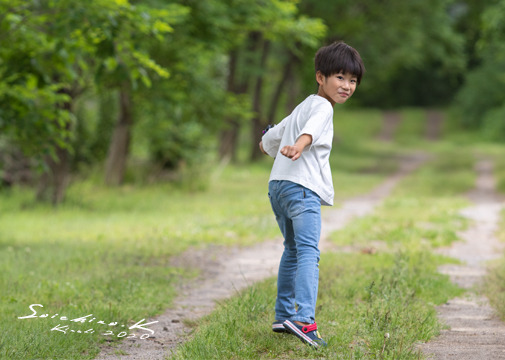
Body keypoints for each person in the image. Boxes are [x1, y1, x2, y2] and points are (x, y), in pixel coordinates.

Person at [259, 41, 365, 348]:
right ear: (321, 77)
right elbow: (314, 129)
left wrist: (277, 143)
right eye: (340, 78)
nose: (347, 86)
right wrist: (301, 144)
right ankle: (304, 321)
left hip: (278, 186)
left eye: (353, 80)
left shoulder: (301, 107)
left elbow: (269, 140)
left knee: (291, 249)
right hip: (301, 188)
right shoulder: (321, 108)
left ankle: (282, 316)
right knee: (308, 252)